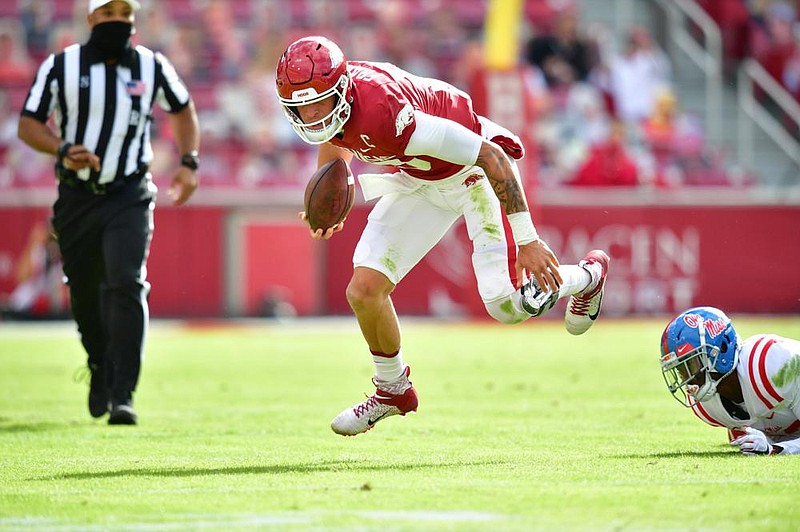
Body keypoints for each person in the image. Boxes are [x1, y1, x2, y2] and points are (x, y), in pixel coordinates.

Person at [275, 36, 611, 436]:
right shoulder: (339, 105)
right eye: (301, 107)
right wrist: (330, 200)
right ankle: (392, 390)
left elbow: (492, 156)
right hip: (420, 177)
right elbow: (336, 148)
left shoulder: (385, 111)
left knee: (506, 306)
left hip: (472, 173)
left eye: (318, 103)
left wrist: (528, 239)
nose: (311, 116)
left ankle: (589, 276)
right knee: (364, 290)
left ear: (342, 91)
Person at [17, 0, 200, 425]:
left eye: (124, 13)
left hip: (130, 192)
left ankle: (123, 393)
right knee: (83, 291)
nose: (117, 21)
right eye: (108, 13)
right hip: (77, 196)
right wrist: (62, 148)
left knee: (126, 282)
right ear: (90, 19)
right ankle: (99, 362)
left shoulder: (152, 66)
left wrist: (189, 163)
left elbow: (183, 109)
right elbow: (29, 123)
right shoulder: (60, 65)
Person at [660, 306, 800, 455]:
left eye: (691, 366)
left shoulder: (775, 363)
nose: (688, 381)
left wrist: (776, 449)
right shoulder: (707, 409)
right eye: (681, 371)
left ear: (722, 349)